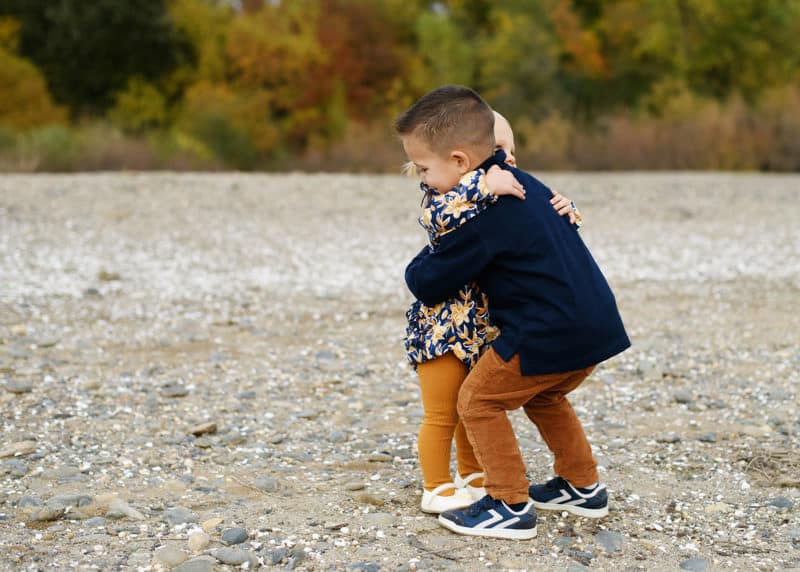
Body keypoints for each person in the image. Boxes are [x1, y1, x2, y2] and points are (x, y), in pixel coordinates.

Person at [397, 85, 630, 540]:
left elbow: (428, 281)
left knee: (477, 401)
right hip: (594, 325)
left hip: (545, 331)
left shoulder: (488, 213)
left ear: (462, 162)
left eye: (425, 168)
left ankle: (507, 502)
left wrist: (419, 262)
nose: (423, 179)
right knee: (545, 396)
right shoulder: (532, 186)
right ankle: (582, 487)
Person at [404, 109, 583, 514]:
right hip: (440, 331)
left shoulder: (501, 196)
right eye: (497, 150)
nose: (507, 160)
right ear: (462, 158)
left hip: (480, 329)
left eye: (511, 150)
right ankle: (436, 484)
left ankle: (474, 475)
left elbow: (532, 237)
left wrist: (565, 209)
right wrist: (482, 188)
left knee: (474, 403)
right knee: (442, 414)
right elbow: (440, 216)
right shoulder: (445, 197)